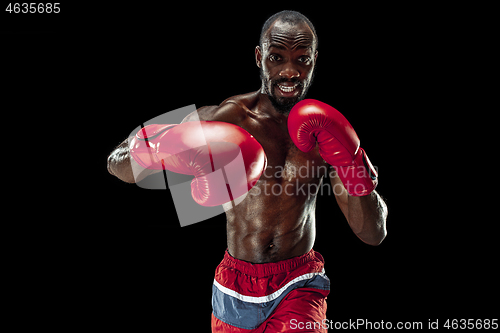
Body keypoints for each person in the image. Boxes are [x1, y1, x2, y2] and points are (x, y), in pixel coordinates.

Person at [107, 10, 388, 333]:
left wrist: (356, 170)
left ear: (314, 60)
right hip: (235, 283)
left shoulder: (325, 131)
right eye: (277, 57)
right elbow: (118, 165)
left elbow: (372, 233)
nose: (290, 71)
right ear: (259, 57)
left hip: (299, 282)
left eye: (302, 59)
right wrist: (162, 146)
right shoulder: (228, 118)